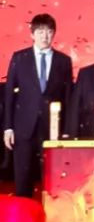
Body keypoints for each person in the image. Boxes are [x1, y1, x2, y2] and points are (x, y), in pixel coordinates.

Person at [3, 13, 73, 197]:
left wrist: (67, 131)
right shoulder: (19, 58)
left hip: (52, 130)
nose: (45, 36)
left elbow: (68, 98)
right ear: (32, 34)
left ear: (54, 34)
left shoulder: (63, 61)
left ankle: (52, 215)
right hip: (23, 129)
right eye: (40, 31)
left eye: (49, 31)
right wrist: (8, 128)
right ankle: (24, 214)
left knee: (53, 183)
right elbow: (9, 95)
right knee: (22, 182)